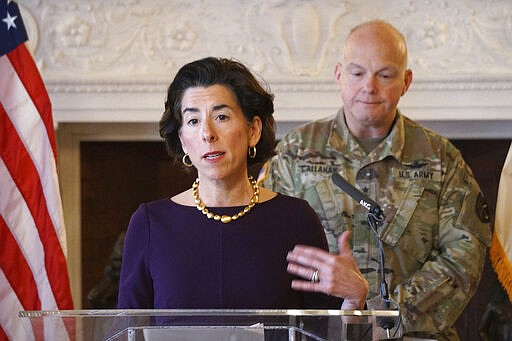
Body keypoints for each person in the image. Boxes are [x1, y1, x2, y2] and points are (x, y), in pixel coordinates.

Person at [262, 20, 492, 340]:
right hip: (320, 334)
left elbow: (464, 254)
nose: (369, 86)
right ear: (338, 75)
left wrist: (389, 319)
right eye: (357, 73)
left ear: (406, 81)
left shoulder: (440, 157)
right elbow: (267, 246)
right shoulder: (295, 152)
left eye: (384, 75)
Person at [116, 57, 367, 313]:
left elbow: (325, 331)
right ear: (182, 141)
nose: (207, 133)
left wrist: (354, 300)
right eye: (193, 121)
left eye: (221, 116)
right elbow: (125, 331)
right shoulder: (150, 223)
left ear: (253, 131)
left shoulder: (295, 219)